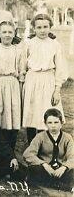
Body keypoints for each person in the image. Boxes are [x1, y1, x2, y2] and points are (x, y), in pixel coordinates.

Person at [22, 14, 68, 143]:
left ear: (50, 27)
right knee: (31, 115)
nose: (42, 30)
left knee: (46, 113)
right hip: (32, 80)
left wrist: (57, 90)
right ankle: (32, 146)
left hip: (48, 80)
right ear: (34, 29)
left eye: (45, 27)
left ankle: (45, 147)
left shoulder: (55, 45)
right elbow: (23, 65)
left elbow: (60, 68)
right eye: (39, 27)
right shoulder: (28, 43)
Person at [0, 21, 25, 150]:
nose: (7, 35)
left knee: (12, 114)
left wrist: (20, 88)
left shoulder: (18, 50)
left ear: (14, 33)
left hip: (12, 84)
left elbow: (21, 70)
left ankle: (10, 151)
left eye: (10, 32)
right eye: (4, 32)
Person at [23, 108, 74, 192]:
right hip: (44, 170)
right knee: (34, 170)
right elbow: (28, 154)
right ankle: (60, 185)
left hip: (60, 170)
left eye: (56, 122)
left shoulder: (67, 138)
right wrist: (44, 164)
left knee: (72, 172)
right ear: (45, 124)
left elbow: (72, 157)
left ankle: (49, 184)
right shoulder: (40, 136)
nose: (53, 126)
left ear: (61, 123)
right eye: (49, 123)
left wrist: (64, 167)